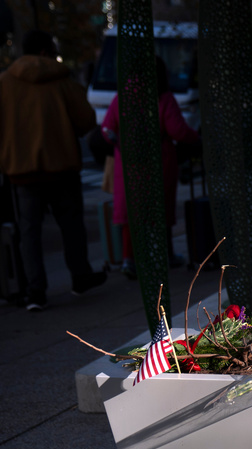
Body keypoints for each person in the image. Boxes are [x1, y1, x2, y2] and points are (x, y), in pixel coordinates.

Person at [0, 30, 106, 311]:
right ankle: (80, 276)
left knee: (29, 232)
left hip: (22, 170)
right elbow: (86, 121)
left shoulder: (6, 82)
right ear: (47, 52)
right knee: (71, 225)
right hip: (61, 166)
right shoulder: (62, 81)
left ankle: (35, 291)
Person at [102, 56, 199, 279]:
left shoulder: (121, 98)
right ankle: (165, 255)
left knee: (131, 211)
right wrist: (196, 138)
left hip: (128, 164)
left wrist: (120, 141)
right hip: (159, 163)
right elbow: (177, 130)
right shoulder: (163, 98)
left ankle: (129, 259)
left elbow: (107, 129)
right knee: (160, 209)